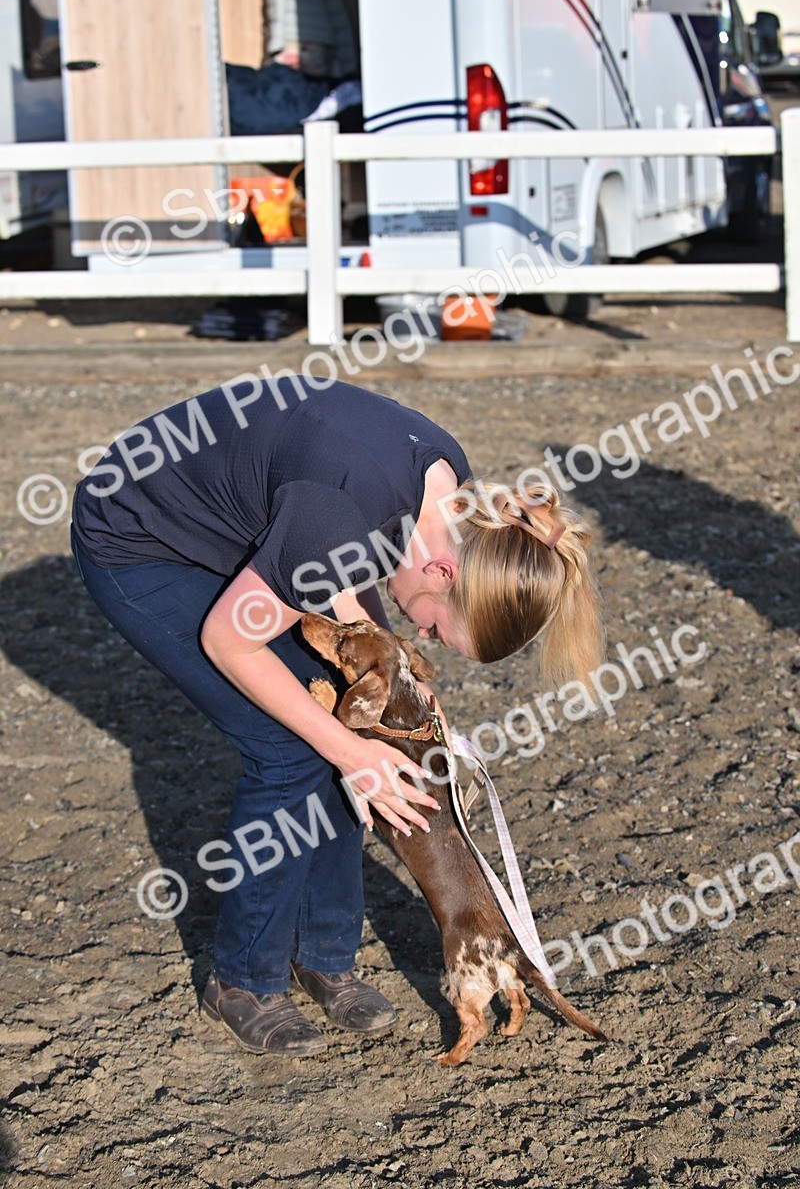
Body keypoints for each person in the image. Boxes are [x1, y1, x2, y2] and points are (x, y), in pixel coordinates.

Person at [70, 377, 603, 1057]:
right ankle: (242, 979)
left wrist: (400, 678)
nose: (428, 639)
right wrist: (355, 755)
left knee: (347, 721)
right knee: (290, 746)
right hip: (139, 537)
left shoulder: (451, 496)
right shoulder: (343, 508)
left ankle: (323, 955)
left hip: (247, 526)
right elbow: (230, 640)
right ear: (443, 570)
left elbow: (342, 565)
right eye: (438, 631)